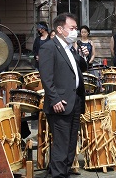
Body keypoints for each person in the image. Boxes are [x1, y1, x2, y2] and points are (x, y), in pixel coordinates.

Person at [39, 12, 89, 178]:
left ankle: (64, 172)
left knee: (70, 142)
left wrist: (82, 55)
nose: (75, 31)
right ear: (60, 29)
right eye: (72, 28)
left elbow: (81, 69)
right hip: (60, 103)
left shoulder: (70, 48)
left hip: (74, 101)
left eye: (76, 28)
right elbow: (46, 77)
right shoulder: (49, 47)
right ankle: (57, 175)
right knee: (61, 144)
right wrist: (54, 99)